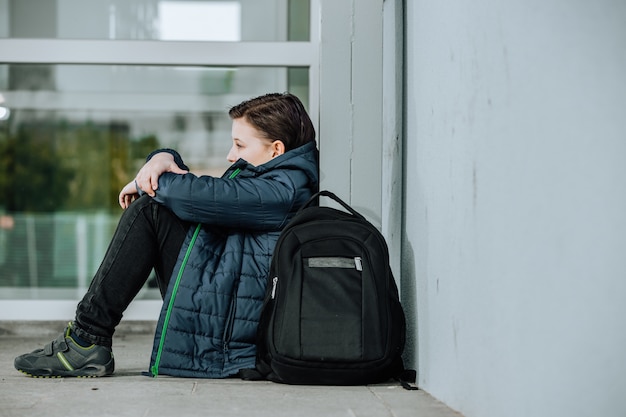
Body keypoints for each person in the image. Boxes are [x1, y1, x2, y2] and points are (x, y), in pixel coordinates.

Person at [14, 92, 319, 378]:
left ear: (276, 149)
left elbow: (200, 195)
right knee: (155, 209)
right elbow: (205, 194)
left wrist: (151, 173)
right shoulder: (276, 177)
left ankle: (86, 339)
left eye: (239, 145)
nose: (230, 156)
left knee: (151, 211)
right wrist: (161, 158)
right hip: (230, 297)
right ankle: (86, 337)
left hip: (234, 327)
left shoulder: (282, 189)